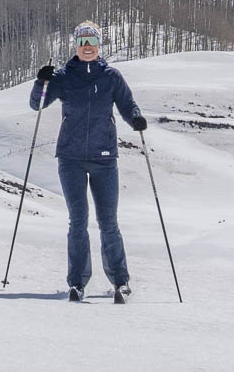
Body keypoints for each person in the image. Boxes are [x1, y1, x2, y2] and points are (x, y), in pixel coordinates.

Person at [29, 19, 147, 302]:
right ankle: (77, 283)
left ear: (98, 45)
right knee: (78, 222)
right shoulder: (64, 76)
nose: (87, 47)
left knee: (109, 223)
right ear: (76, 45)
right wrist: (41, 81)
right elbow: (38, 103)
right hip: (70, 159)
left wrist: (136, 119)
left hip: (105, 159)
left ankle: (121, 282)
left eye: (92, 42)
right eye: (82, 42)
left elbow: (127, 104)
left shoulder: (111, 76)